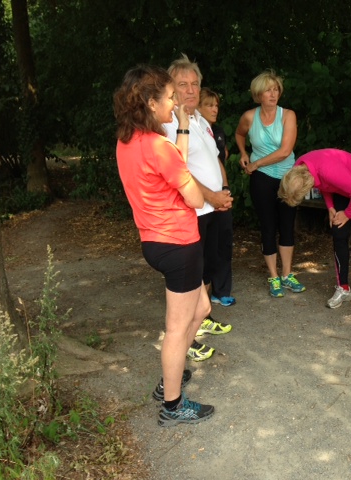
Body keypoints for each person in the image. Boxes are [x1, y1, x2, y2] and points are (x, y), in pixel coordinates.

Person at [113, 64, 215, 426]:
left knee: (201, 308)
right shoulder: (158, 147)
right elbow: (191, 197)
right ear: (150, 102)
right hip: (179, 245)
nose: (174, 102)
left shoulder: (128, 143)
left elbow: (174, 163)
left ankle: (172, 375)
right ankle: (172, 403)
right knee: (176, 328)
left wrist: (184, 125)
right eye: (170, 97)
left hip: (154, 242)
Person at [165, 55, 234, 362]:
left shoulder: (200, 119)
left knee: (206, 266)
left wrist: (224, 189)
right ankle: (186, 337)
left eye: (195, 84)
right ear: (171, 88)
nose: (191, 90)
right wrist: (211, 196)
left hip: (213, 206)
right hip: (192, 210)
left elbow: (214, 157)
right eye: (183, 84)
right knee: (188, 276)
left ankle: (200, 320)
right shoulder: (170, 124)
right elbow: (180, 173)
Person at [278, 149, 351, 308]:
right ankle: (344, 288)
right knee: (338, 232)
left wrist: (347, 214)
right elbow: (323, 184)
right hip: (343, 188)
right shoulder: (299, 168)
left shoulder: (328, 170)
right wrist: (330, 207)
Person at [235, 70, 305, 298]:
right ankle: (274, 276)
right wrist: (244, 153)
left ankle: (287, 275)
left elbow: (285, 151)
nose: (273, 94)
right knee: (267, 226)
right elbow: (239, 134)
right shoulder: (248, 117)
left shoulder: (288, 115)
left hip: (287, 177)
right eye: (268, 90)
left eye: (276, 89)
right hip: (262, 178)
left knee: (287, 225)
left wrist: (254, 164)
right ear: (258, 94)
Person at [197, 87, 236, 308]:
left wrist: (226, 189)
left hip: (221, 194)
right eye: (209, 105)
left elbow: (220, 161)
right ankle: (202, 297)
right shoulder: (191, 131)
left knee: (224, 241)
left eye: (216, 105)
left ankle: (221, 290)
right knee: (206, 249)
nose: (215, 109)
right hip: (202, 201)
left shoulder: (217, 131)